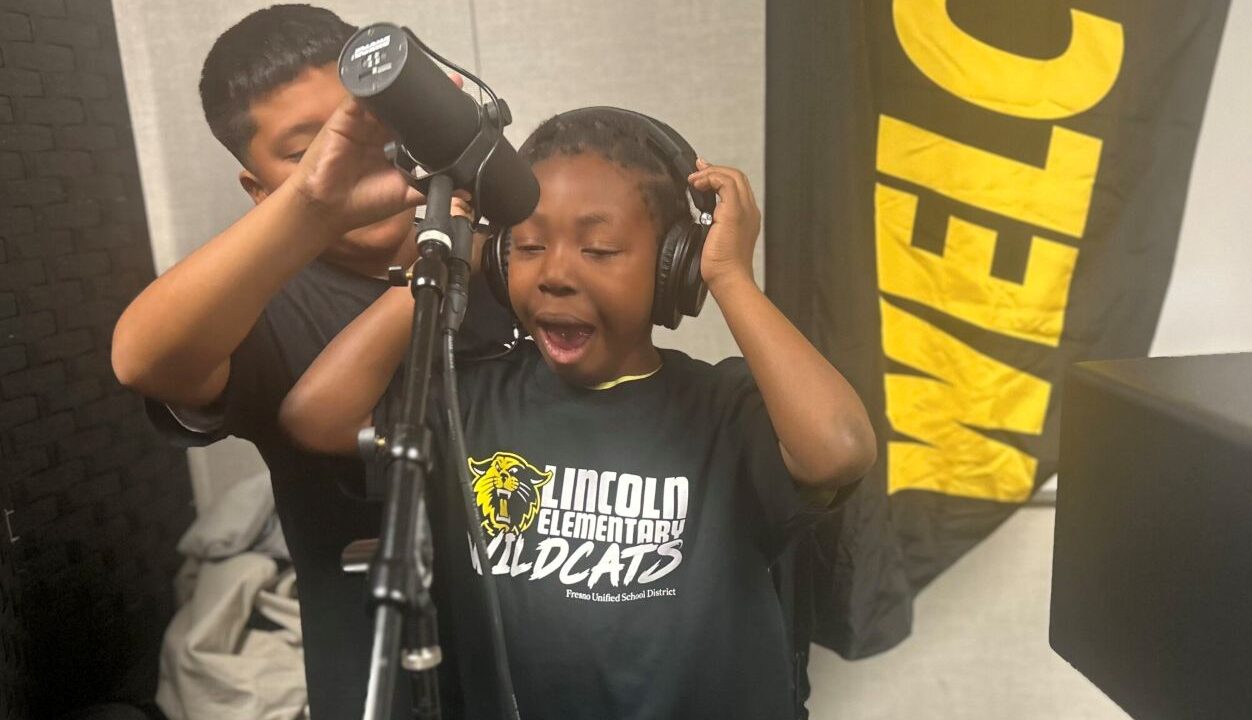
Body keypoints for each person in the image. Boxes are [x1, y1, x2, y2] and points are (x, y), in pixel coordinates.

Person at [279, 107, 879, 719]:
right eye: (530, 247)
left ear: (673, 265)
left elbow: (839, 447)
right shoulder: (470, 400)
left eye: (599, 249)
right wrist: (453, 262)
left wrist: (728, 276)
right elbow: (314, 417)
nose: (556, 274)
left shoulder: (724, 410)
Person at [111, 5, 507, 717]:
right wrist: (314, 207)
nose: (356, 155)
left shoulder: (495, 241)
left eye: (370, 128)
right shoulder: (264, 306)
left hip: (544, 660)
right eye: (305, 151)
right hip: (380, 684)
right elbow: (145, 359)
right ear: (260, 192)